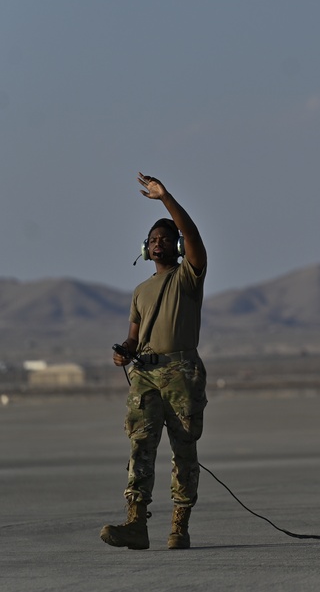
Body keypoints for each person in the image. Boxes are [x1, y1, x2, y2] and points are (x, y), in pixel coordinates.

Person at [100, 173, 208, 550]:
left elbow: (192, 234)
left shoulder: (188, 277)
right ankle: (136, 524)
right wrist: (124, 352)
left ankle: (180, 526)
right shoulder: (140, 290)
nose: (158, 242)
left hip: (181, 373)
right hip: (145, 374)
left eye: (165, 238)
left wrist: (166, 198)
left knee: (184, 451)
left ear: (176, 246)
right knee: (140, 447)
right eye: (152, 239)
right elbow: (133, 335)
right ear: (145, 249)